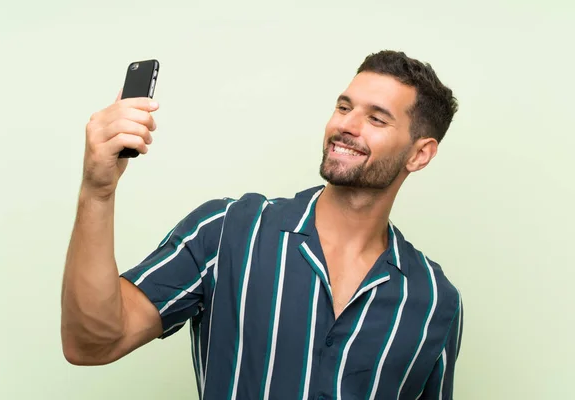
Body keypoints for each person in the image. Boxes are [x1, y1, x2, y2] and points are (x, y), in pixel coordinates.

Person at [61, 50, 464, 400]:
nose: (347, 126)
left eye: (376, 119)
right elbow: (92, 342)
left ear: (420, 154)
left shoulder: (434, 302)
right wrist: (98, 191)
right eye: (344, 107)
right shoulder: (227, 232)